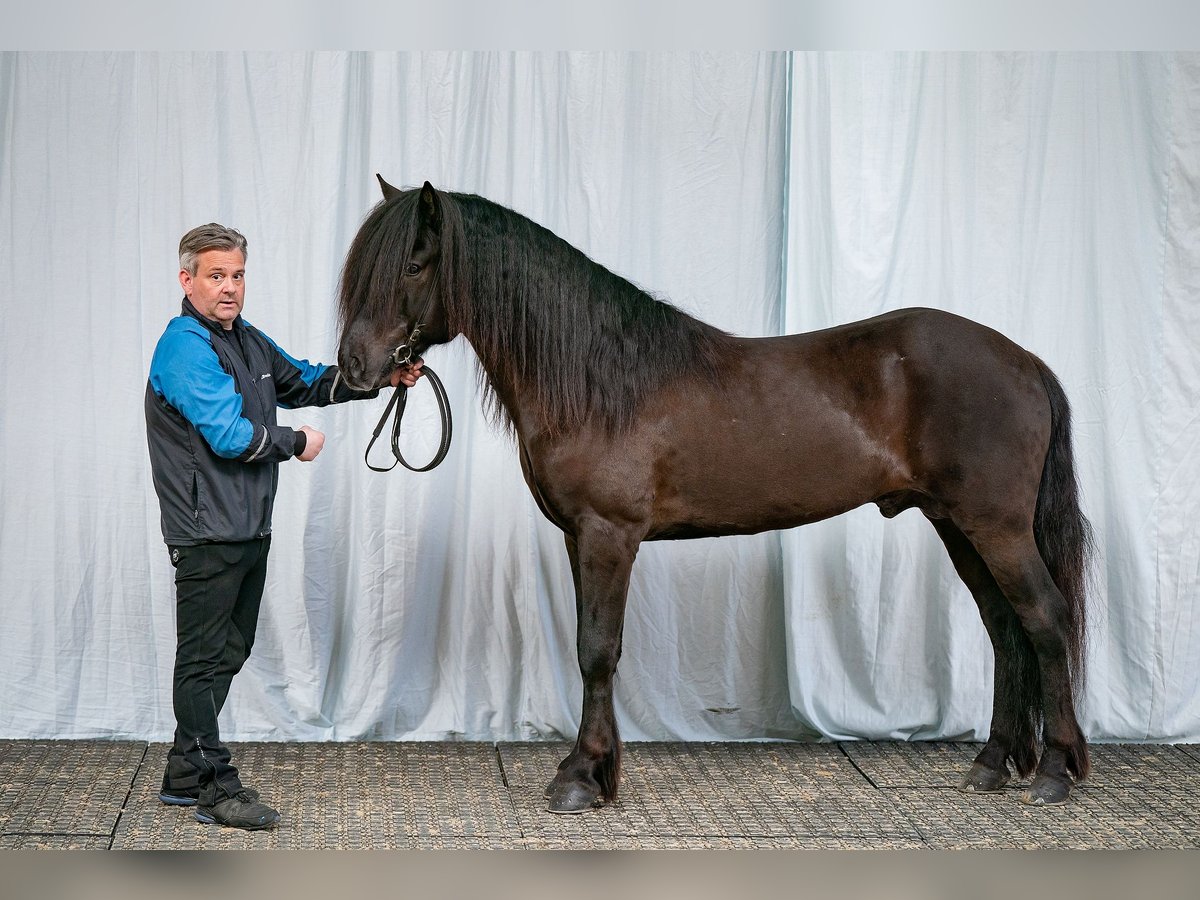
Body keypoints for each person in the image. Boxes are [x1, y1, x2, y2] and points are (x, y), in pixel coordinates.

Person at [145, 223, 421, 830]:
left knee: (232, 648)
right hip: (205, 532)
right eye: (216, 275)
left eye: (238, 275)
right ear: (186, 279)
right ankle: (214, 784)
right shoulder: (185, 348)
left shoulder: (245, 340)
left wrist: (379, 378)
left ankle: (184, 769)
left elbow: (304, 379)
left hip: (247, 527)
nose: (230, 288)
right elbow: (228, 433)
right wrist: (296, 442)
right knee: (200, 659)